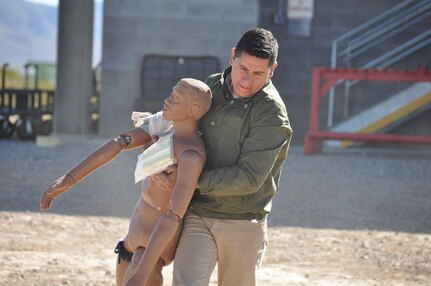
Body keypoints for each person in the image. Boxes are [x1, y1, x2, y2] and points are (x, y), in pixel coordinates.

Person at [39, 78, 212, 286]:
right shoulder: (164, 126)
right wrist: (69, 179)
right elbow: (120, 143)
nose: (167, 100)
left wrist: (141, 273)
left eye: (176, 98)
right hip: (130, 242)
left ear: (192, 109)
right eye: (171, 94)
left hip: (151, 254)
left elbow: (173, 217)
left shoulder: (191, 155)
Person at [170, 28, 293, 286]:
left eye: (258, 73)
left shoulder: (272, 114)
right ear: (232, 56)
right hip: (198, 213)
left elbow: (249, 178)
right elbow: (184, 128)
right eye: (243, 69)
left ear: (273, 69)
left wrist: (190, 181)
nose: (247, 81)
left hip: (243, 221)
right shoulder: (209, 88)